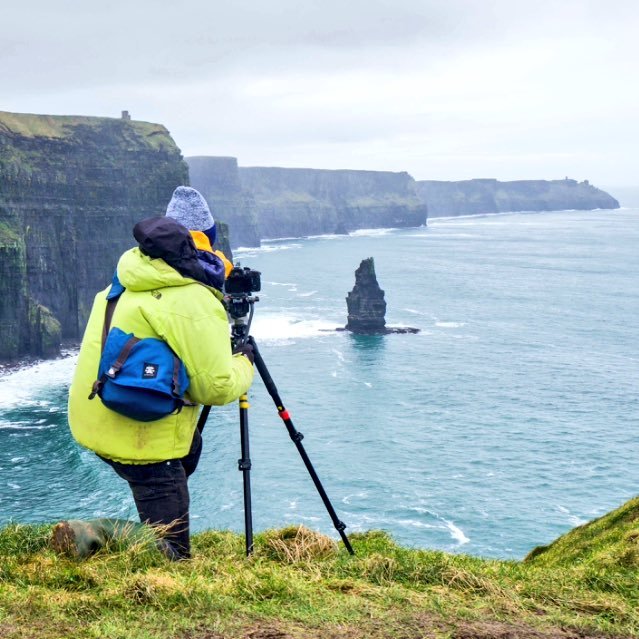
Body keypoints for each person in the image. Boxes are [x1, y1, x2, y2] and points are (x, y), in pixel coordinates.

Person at [59, 187, 254, 560]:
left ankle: (140, 530)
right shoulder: (191, 299)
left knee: (188, 452)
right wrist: (243, 361)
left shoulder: (122, 280)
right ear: (207, 246)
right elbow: (216, 387)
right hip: (136, 437)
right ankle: (92, 534)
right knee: (172, 552)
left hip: (92, 417)